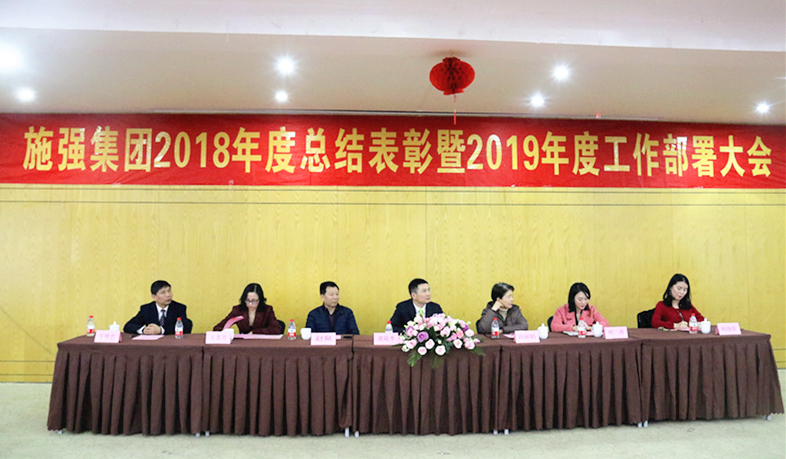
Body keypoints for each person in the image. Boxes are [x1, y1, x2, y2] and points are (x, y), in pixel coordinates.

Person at [124, 280, 193, 335]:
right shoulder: (146, 309)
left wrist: (161, 330)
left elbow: (186, 327)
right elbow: (128, 326)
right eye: (163, 292)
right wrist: (143, 330)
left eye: (169, 291)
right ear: (154, 297)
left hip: (172, 343)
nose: (168, 295)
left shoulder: (179, 308)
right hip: (152, 344)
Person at [213, 283, 282, 334]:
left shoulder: (267, 310)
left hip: (262, 343)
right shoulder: (238, 310)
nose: (250, 304)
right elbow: (218, 327)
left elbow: (277, 329)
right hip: (243, 344)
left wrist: (255, 332)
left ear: (260, 300)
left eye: (254, 301)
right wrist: (225, 332)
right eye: (248, 300)